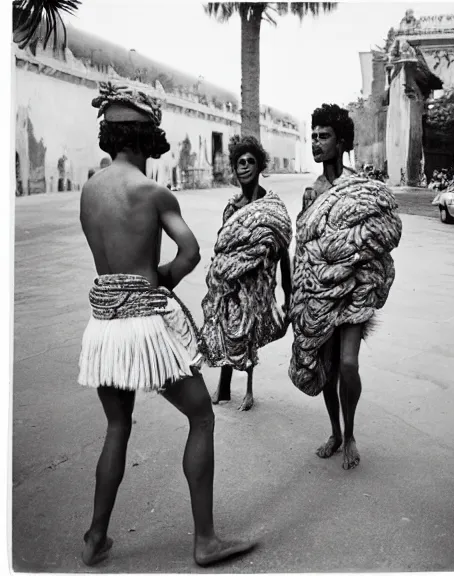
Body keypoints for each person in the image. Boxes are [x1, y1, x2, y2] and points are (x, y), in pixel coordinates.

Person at [78, 82, 255, 567]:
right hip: (146, 327)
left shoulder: (89, 190)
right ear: (143, 137)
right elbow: (191, 251)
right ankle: (205, 540)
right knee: (201, 415)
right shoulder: (153, 191)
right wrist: (161, 279)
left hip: (103, 328)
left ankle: (95, 536)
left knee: (117, 426)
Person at [288, 104, 402, 469]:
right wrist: (297, 294)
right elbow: (304, 245)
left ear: (341, 142)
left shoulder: (359, 187)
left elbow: (377, 235)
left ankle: (350, 433)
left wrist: (361, 271)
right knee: (328, 369)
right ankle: (335, 432)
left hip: (354, 289)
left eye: (324, 137)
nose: (316, 143)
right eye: (314, 136)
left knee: (348, 364)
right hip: (320, 292)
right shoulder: (312, 192)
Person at [200, 135, 292, 411]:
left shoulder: (270, 205)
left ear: (259, 165)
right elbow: (224, 245)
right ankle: (224, 386)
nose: (245, 167)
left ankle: (249, 389)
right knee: (227, 324)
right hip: (231, 279)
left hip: (258, 280)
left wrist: (288, 293)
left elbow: (283, 247)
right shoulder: (232, 207)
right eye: (240, 162)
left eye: (251, 161)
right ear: (235, 167)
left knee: (248, 329)